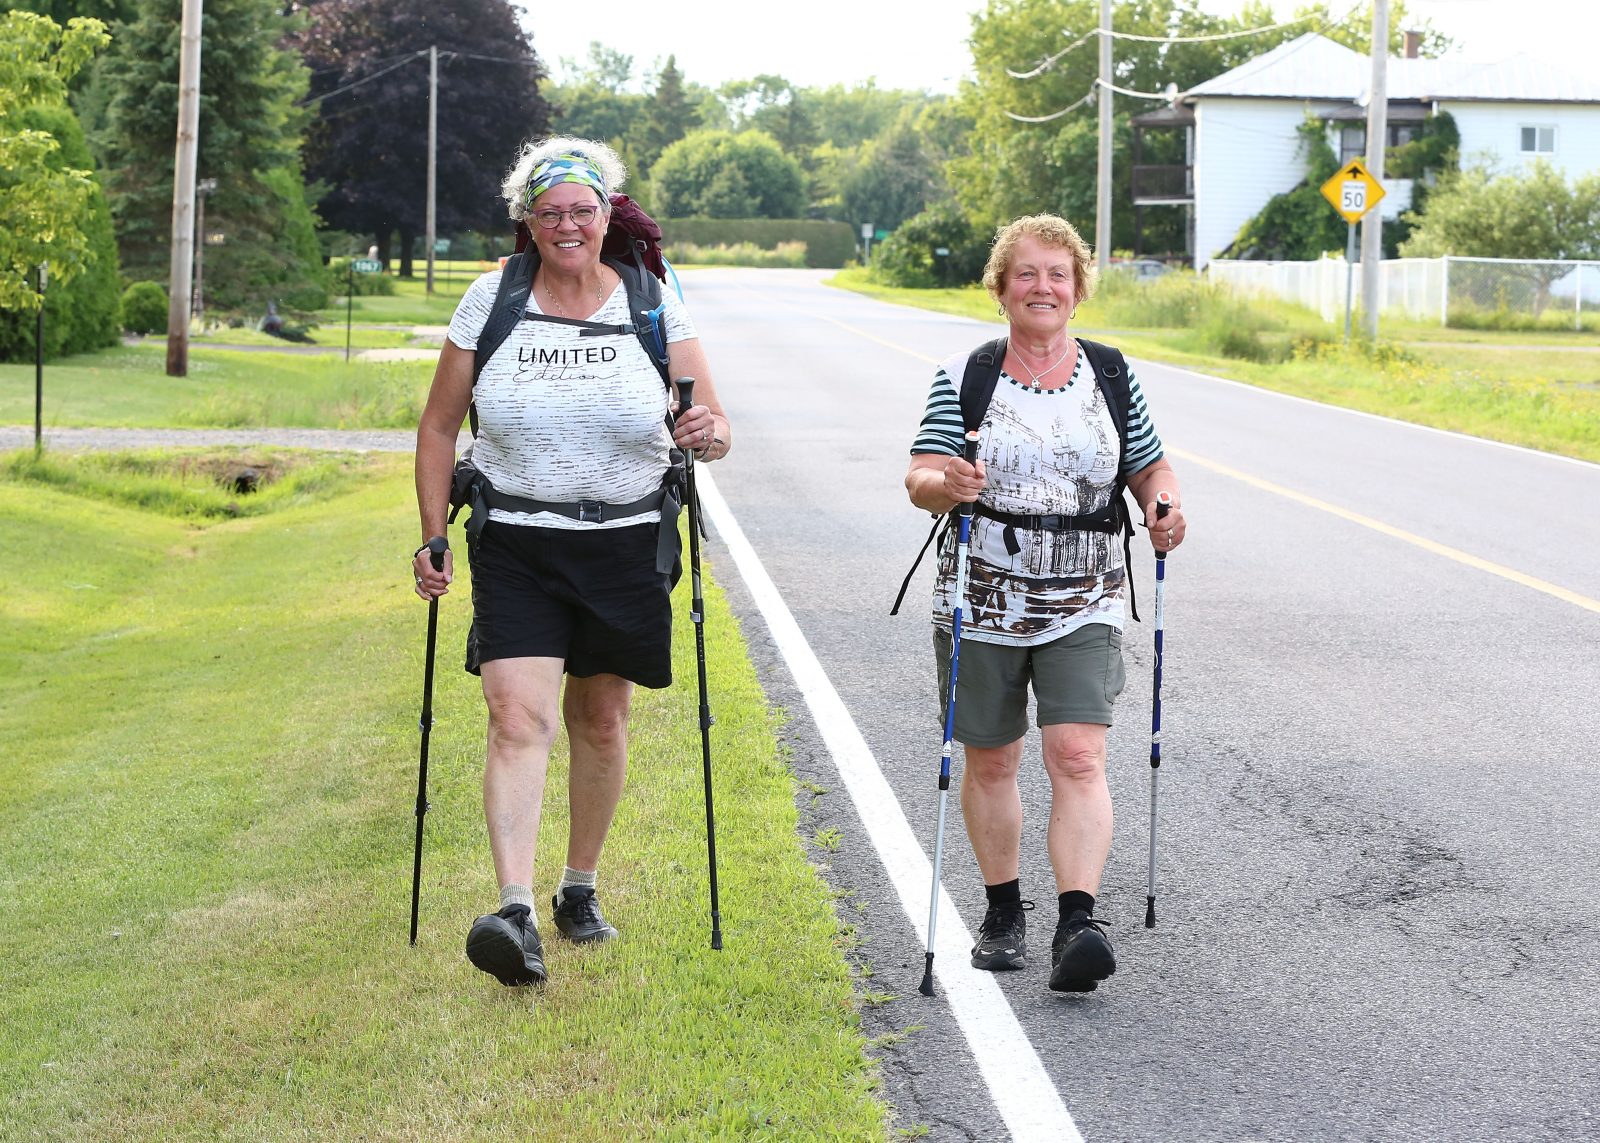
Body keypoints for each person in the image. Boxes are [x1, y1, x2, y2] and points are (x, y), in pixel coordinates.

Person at [412, 136, 731, 987]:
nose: (567, 224)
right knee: (517, 718)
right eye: (550, 212)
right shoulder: (492, 300)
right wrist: (432, 529)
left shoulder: (653, 303)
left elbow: (713, 425)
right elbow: (441, 425)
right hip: (517, 539)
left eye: (582, 210)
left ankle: (577, 888)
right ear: (528, 221)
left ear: (605, 216)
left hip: (626, 541)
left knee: (600, 718)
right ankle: (513, 910)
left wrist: (707, 432)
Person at [903, 214, 1185, 993]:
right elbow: (921, 475)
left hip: (1086, 595)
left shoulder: (1113, 374)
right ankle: (1002, 910)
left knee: (1078, 752)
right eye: (1026, 273)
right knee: (993, 758)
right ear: (1000, 288)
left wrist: (1164, 509)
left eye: (1057, 274)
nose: (1043, 287)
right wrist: (945, 485)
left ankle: (1077, 921)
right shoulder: (967, 375)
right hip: (982, 596)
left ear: (1079, 288)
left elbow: (1151, 470)